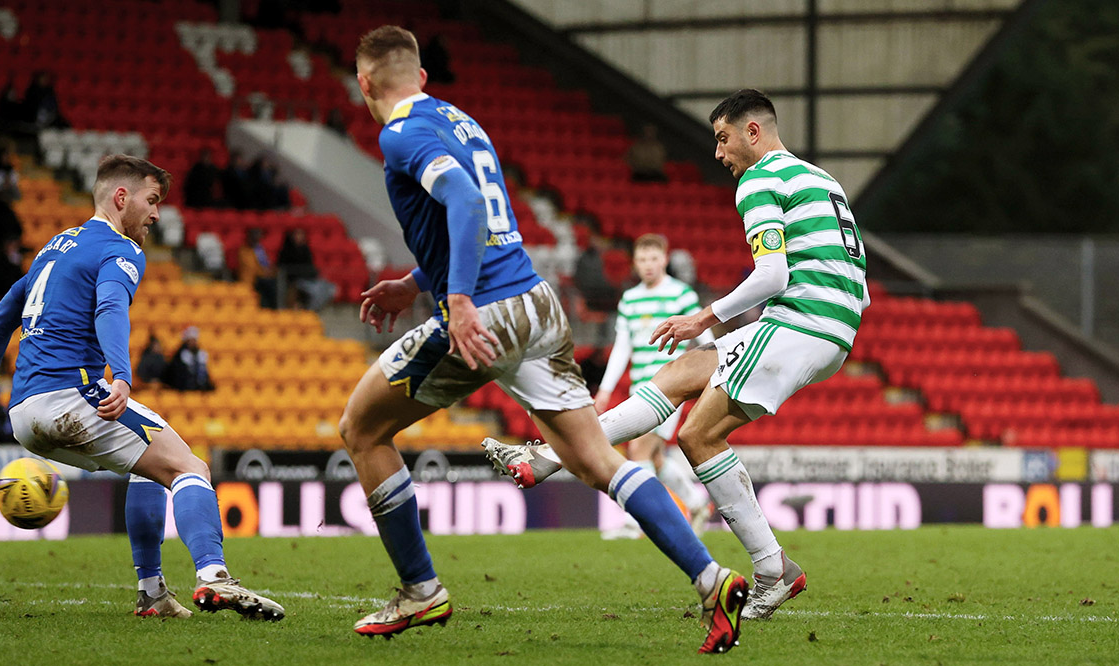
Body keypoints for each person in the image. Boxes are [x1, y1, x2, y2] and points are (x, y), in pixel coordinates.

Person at [342, 26, 747, 654]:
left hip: (488, 312)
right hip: (537, 302)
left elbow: (467, 205)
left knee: (361, 430)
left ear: (365, 83)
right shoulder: (462, 122)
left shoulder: (399, 133)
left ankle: (420, 591)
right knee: (598, 461)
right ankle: (711, 578)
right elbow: (485, 223)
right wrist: (414, 280)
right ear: (421, 78)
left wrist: (453, 300)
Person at [484, 89, 870, 621]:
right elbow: (857, 278)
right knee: (680, 373)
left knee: (697, 435)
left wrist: (704, 317)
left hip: (800, 321)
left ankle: (772, 567)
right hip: (834, 324)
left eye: (722, 138)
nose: (718, 153)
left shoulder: (759, 180)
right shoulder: (821, 179)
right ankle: (547, 457)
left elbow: (774, 275)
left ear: (751, 132)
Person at [0, 154, 283, 621]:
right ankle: (214, 577)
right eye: (151, 201)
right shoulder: (121, 248)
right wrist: (123, 376)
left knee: (146, 469)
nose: (156, 214)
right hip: (73, 396)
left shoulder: (53, 248)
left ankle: (152, 595)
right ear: (121, 197)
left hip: (24, 415)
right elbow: (110, 306)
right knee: (189, 466)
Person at [595, 233, 714, 540]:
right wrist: (606, 390)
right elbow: (622, 347)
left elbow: (704, 335)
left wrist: (718, 365)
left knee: (639, 448)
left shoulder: (681, 294)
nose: (648, 265)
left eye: (653, 258)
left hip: (672, 385)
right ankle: (697, 504)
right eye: (642, 260)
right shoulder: (630, 299)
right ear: (635, 263)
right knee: (656, 457)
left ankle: (639, 523)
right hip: (640, 388)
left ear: (664, 259)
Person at [276, 228, 334, 310]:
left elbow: (310, 267)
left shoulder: (306, 249)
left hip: (308, 279)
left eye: (302, 234)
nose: (300, 237)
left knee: (330, 289)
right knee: (315, 291)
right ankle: (309, 310)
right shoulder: (286, 251)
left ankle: (311, 310)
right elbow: (283, 268)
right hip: (294, 281)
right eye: (298, 234)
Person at [238, 228, 279, 308]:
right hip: (251, 280)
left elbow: (266, 264)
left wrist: (270, 271)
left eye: (258, 235)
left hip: (262, 279)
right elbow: (250, 267)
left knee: (272, 285)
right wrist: (263, 272)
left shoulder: (260, 249)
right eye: (254, 235)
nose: (256, 238)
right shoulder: (243, 250)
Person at [164, 326, 215, 392]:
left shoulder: (201, 354)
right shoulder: (180, 355)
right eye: (190, 341)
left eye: (194, 340)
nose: (192, 343)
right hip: (185, 388)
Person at [0, 237, 25, 301]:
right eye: (12, 246)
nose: (14, 249)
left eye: (16, 247)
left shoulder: (18, 260)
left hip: (14, 294)